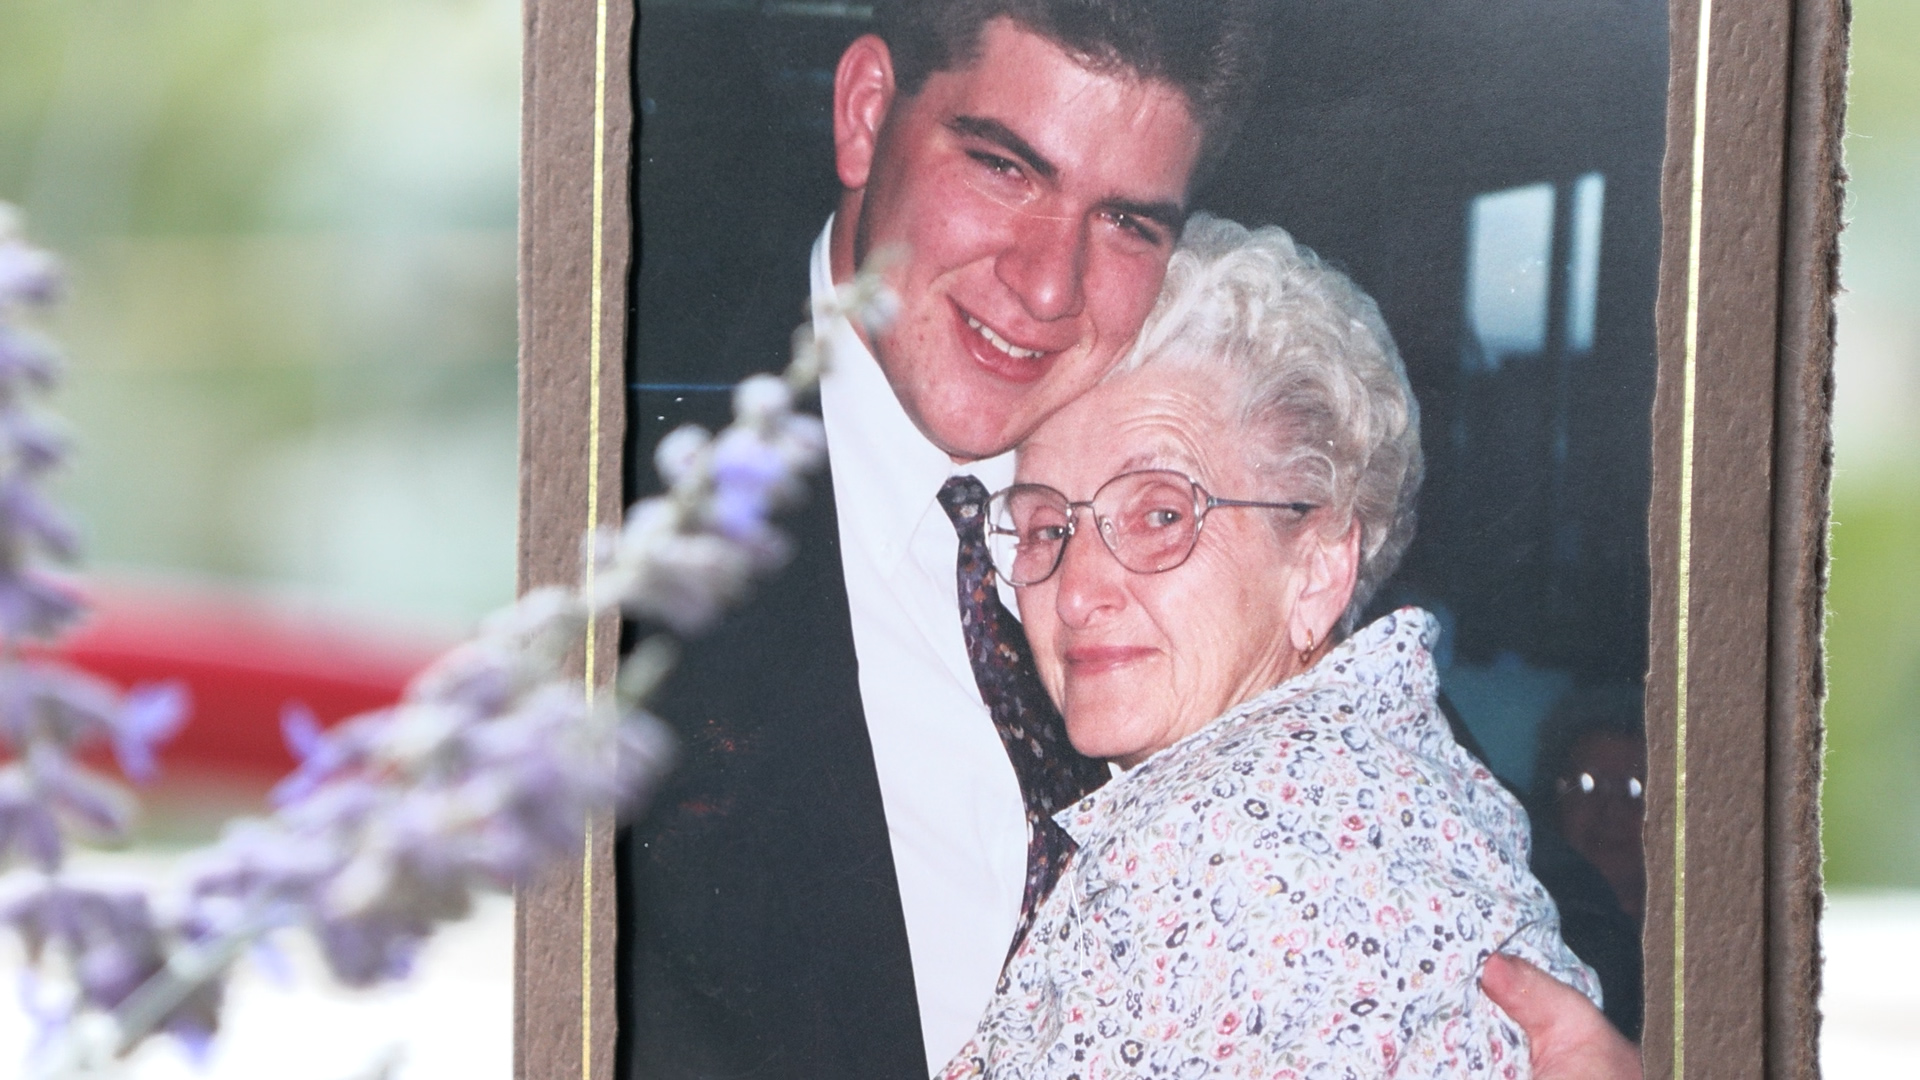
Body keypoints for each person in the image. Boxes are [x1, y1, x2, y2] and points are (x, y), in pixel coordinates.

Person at [621, 4, 1640, 1078]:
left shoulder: (1189, 442)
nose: (1050, 285)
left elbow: (1521, 917)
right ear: (867, 116)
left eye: (1128, 223)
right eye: (1005, 170)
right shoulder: (610, 543)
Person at [940, 216, 1597, 1077]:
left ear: (1320, 567)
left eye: (1161, 514)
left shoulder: (1223, 839)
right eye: (1045, 525)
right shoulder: (1391, 770)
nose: (1076, 589)